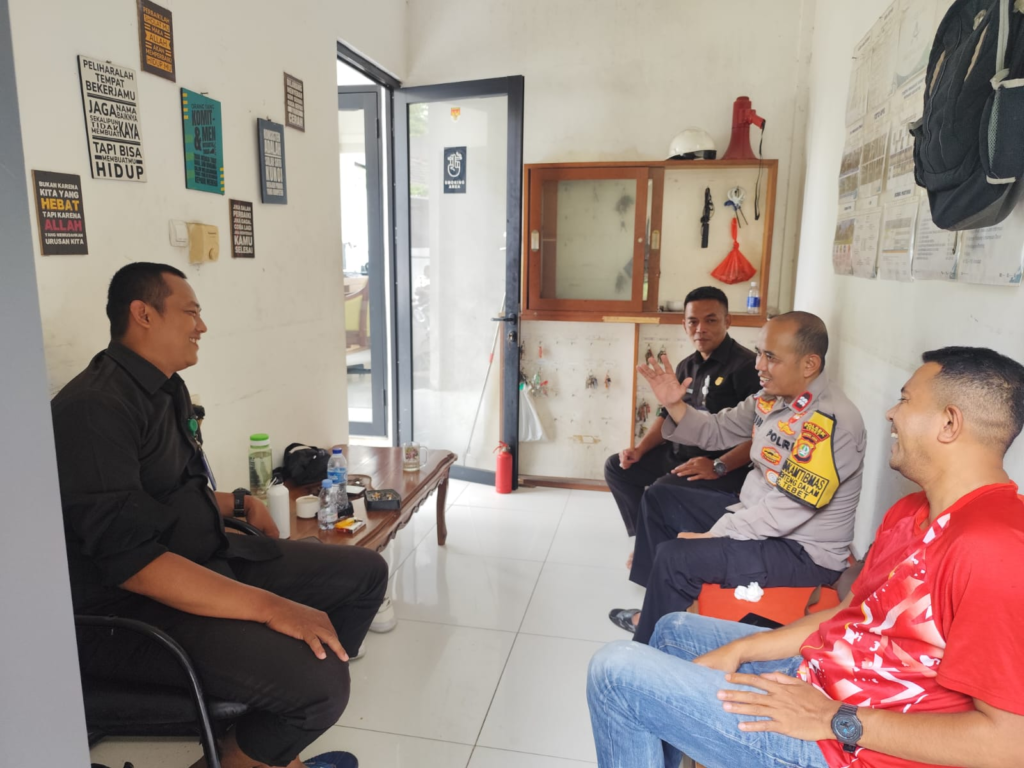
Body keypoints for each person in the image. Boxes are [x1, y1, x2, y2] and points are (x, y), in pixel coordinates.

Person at [587, 346, 1024, 768]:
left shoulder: (995, 548)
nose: (891, 413)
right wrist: (741, 649)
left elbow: (1011, 745)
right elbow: (851, 615)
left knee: (615, 672)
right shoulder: (911, 510)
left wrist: (833, 719)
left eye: (906, 400)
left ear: (949, 423)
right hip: (821, 679)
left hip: (847, 745)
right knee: (671, 631)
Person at [54, 263, 386, 768]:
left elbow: (168, 493)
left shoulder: (165, 388)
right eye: (191, 312)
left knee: (365, 574)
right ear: (143, 314)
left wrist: (238, 502)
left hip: (208, 554)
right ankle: (263, 746)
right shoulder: (94, 410)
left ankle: (263, 743)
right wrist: (272, 608)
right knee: (321, 684)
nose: (202, 326)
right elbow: (133, 564)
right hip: (133, 607)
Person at [609, 312, 866, 642]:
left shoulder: (831, 423)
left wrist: (715, 534)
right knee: (659, 497)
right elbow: (716, 430)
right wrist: (675, 405)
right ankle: (657, 608)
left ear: (809, 364)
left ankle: (647, 648)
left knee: (677, 557)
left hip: (802, 550)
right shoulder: (773, 398)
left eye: (771, 357)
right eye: (759, 353)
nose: (759, 365)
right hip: (757, 514)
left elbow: (785, 511)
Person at [604, 286, 760, 548]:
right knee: (617, 468)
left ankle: (658, 545)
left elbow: (760, 434)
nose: (700, 329)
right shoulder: (686, 365)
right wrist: (639, 449)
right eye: (693, 321)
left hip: (722, 464)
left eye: (711, 320)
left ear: (728, 321)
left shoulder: (747, 367)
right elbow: (667, 414)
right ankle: (646, 539)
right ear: (684, 324)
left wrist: (718, 465)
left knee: (660, 491)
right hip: (680, 454)